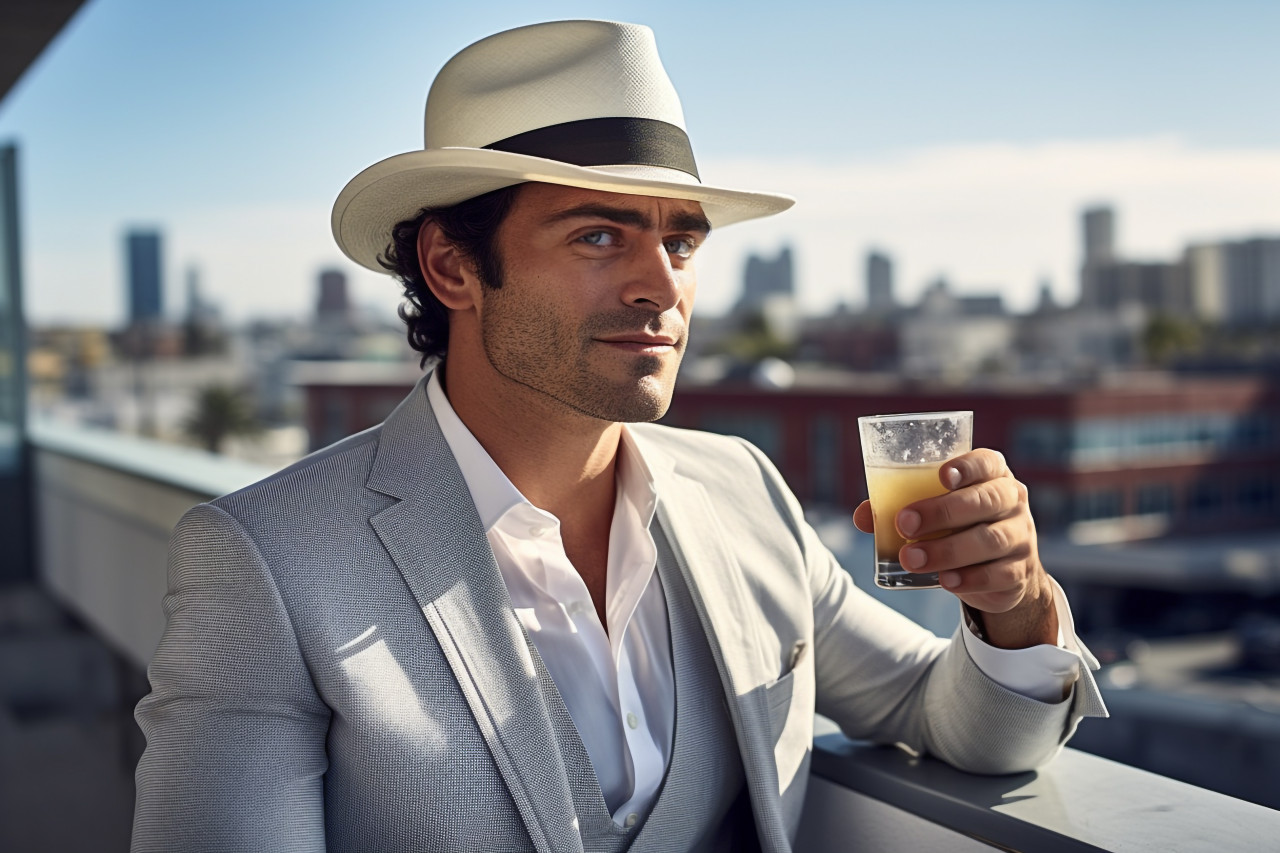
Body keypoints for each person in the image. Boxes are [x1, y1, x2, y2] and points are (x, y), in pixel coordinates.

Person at [131, 19, 1106, 853]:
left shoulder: (741, 491)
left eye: (679, 241)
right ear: (451, 266)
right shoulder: (265, 562)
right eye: (598, 235)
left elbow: (943, 718)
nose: (661, 283)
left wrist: (1011, 607)